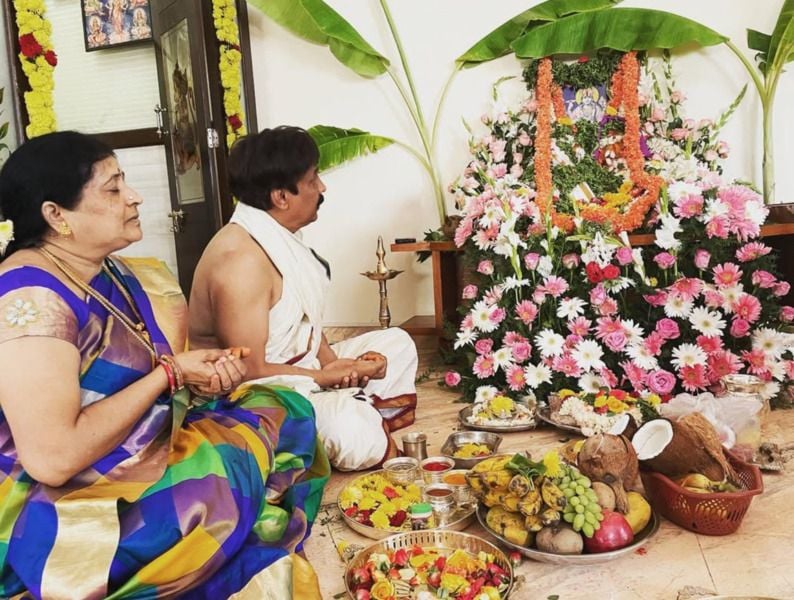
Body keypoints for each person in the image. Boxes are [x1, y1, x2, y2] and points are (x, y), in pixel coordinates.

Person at [0, 131, 329, 599]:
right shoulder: (29, 301)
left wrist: (198, 377)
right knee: (209, 494)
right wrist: (171, 375)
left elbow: (156, 370)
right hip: (65, 500)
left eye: (126, 183)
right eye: (112, 189)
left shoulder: (110, 271)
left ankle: (232, 515)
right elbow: (53, 459)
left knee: (286, 409)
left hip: (145, 440)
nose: (133, 197)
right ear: (56, 215)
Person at [189, 126, 418, 472]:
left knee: (398, 343)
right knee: (354, 433)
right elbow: (249, 373)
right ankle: (353, 412)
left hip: (297, 370)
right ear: (282, 197)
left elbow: (303, 323)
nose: (322, 188)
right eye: (313, 180)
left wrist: (330, 363)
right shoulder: (240, 262)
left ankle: (353, 404)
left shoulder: (276, 237)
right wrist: (327, 377)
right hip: (257, 397)